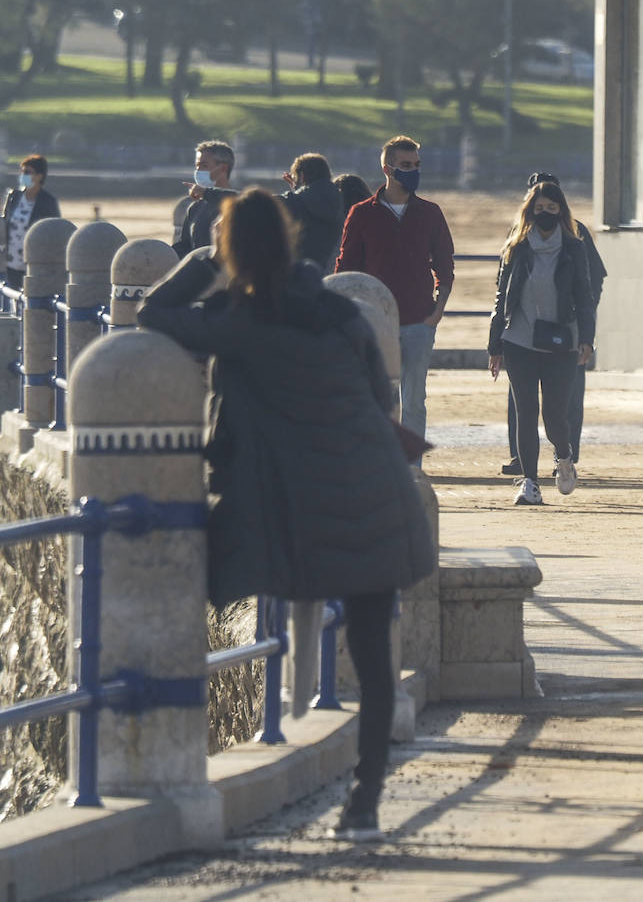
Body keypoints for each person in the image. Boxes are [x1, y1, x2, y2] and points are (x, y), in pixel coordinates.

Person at [137, 188, 435, 842]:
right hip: (375, 490)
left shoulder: (238, 322)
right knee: (372, 655)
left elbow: (152, 313)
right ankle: (365, 801)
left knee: (208, 588)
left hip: (300, 502)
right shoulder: (336, 311)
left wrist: (206, 262)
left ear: (232, 249)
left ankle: (164, 754)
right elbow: (381, 393)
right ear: (293, 240)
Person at [336, 136, 455, 452]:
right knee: (374, 399)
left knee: (414, 402)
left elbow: (445, 265)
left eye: (416, 165)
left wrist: (437, 310)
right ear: (388, 169)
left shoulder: (431, 213)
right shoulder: (362, 214)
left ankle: (411, 471)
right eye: (405, 166)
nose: (413, 171)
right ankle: (376, 465)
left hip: (419, 322)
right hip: (374, 325)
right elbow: (346, 268)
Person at [487, 181, 595, 506]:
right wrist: (495, 345)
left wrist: (587, 339)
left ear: (561, 211)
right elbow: (501, 296)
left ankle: (564, 457)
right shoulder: (516, 246)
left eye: (552, 208)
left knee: (554, 415)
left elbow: (584, 297)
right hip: (519, 340)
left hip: (560, 341)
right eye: (539, 208)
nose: (545, 214)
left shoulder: (574, 247)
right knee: (525, 411)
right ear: (529, 211)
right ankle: (529, 483)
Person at [3, 154, 60, 290]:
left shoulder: (48, 201)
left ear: (40, 176)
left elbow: (54, 231)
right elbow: (5, 223)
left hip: (34, 265)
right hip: (11, 263)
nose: (23, 176)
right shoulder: (14, 197)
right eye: (22, 172)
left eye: (27, 172)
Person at [280, 152, 344, 269]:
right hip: (330, 271)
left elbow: (264, 203)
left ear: (302, 176)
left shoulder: (294, 202)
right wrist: (298, 189)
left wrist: (296, 193)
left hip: (301, 273)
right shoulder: (343, 200)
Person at [173, 140, 237, 256]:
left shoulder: (239, 204)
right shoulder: (195, 208)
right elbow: (185, 247)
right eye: (197, 166)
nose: (198, 171)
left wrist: (207, 193)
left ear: (223, 168)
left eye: (204, 165)